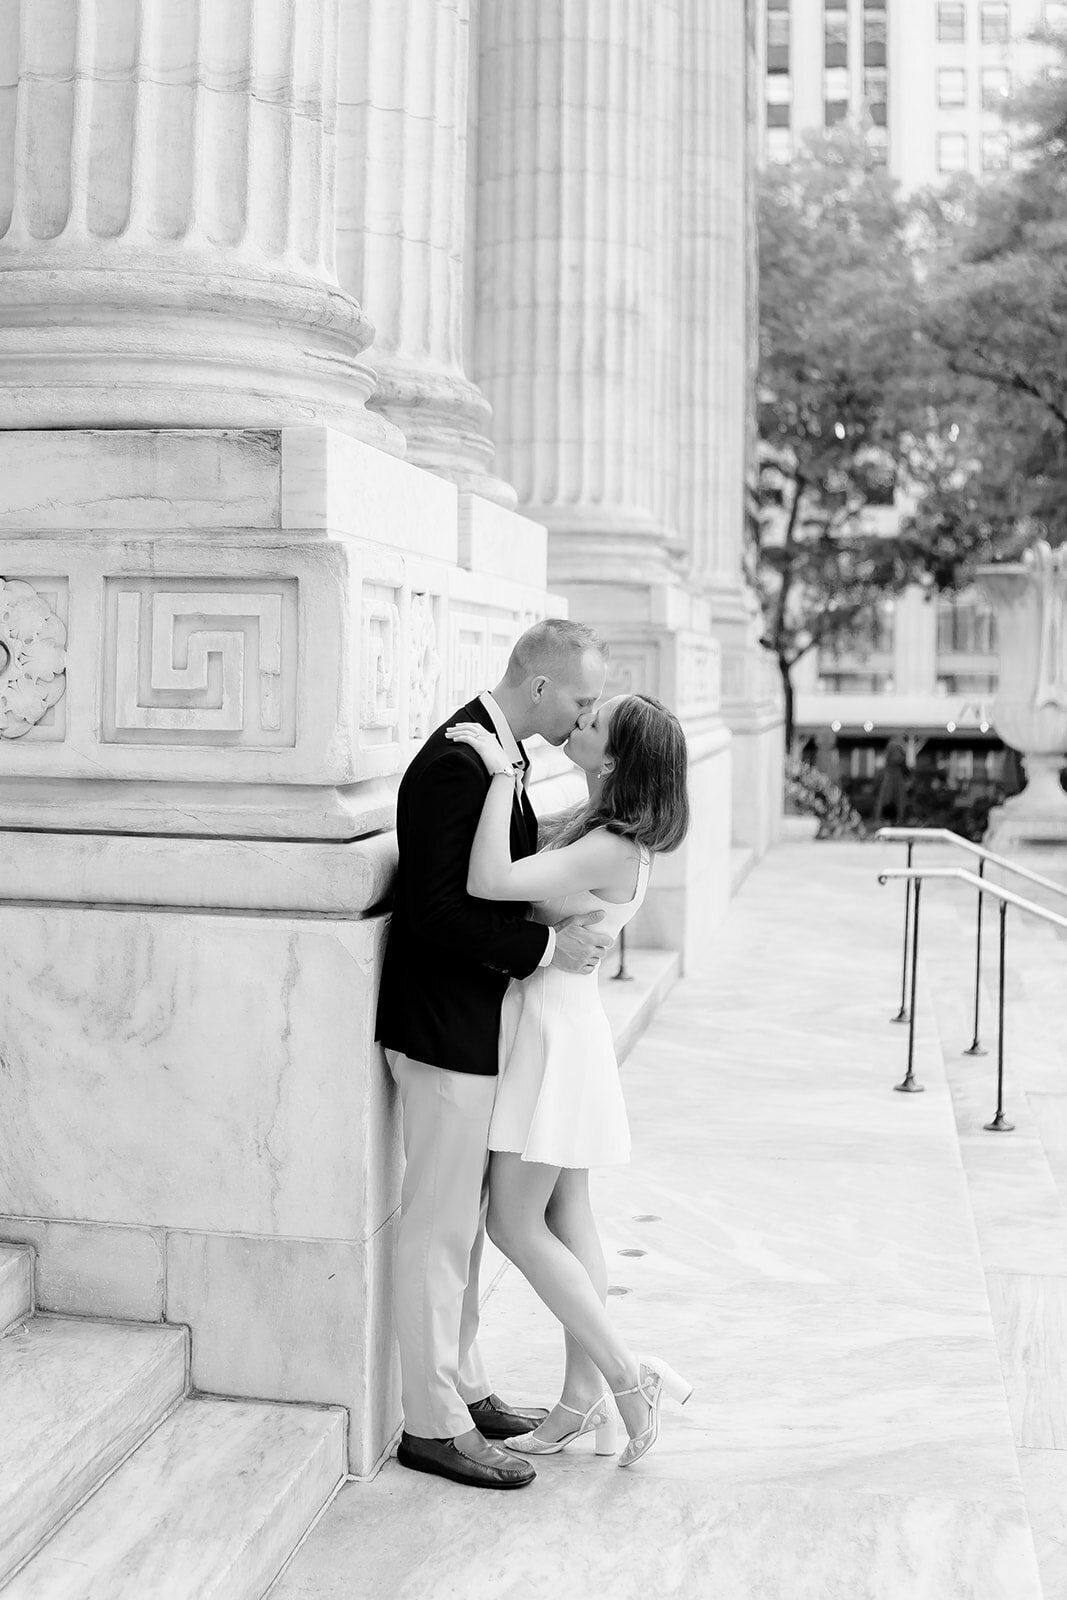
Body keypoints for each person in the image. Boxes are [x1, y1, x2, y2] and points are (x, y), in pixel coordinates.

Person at [375, 618, 614, 1492]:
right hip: (441, 1032)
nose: (585, 715)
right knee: (437, 1231)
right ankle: (432, 1426)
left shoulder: (499, 755)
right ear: (541, 685)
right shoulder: (457, 760)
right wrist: (549, 952)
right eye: (581, 700)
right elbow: (438, 913)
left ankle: (465, 1390)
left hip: (475, 1028)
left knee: (465, 1232)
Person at [444, 690, 693, 1469]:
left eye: (591, 723)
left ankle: (624, 1376)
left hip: (553, 1031)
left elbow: (488, 881)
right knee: (570, 1213)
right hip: (557, 1022)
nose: (576, 723)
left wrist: (494, 771)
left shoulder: (612, 845)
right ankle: (581, 1397)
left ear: (613, 759)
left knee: (514, 1224)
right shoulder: (597, 829)